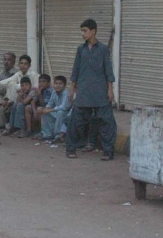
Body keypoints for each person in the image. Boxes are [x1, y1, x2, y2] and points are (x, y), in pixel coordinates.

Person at [67, 18, 117, 161]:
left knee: (107, 122)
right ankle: (71, 148)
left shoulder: (103, 49)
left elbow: (108, 71)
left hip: (100, 92)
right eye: (81, 31)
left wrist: (110, 90)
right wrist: (72, 89)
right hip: (83, 91)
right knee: (76, 121)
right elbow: (75, 70)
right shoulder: (80, 49)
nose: (82, 34)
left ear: (93, 31)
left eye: (85, 31)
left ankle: (108, 151)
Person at [0, 52, 21, 128]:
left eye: (9, 60)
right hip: (0, 96)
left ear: (13, 62)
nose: (6, 62)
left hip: (11, 97)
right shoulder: (1, 74)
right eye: (5, 60)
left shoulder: (16, 74)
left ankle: (1, 124)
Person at [37, 75, 71, 142]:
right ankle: (47, 134)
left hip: (66, 114)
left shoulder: (66, 93)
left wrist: (50, 110)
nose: (57, 85)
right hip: (57, 111)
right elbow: (50, 104)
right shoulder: (54, 92)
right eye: (56, 83)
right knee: (44, 112)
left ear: (64, 85)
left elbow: (64, 107)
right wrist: (43, 109)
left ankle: (58, 136)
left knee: (60, 112)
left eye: (60, 84)